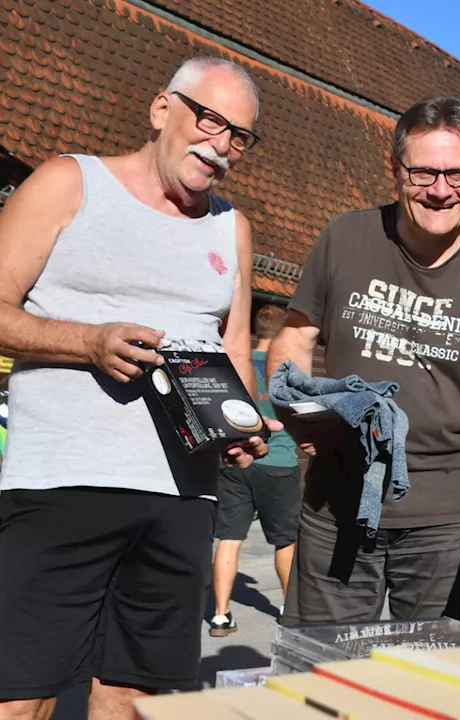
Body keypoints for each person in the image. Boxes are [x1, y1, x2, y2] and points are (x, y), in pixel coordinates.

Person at [0, 56, 278, 719]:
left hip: (182, 497)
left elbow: (234, 350)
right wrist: (88, 341)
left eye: (239, 136)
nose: (222, 146)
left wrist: (247, 423)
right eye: (210, 120)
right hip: (62, 483)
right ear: (162, 110)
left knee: (134, 698)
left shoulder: (231, 228)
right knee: (22, 695)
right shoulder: (70, 182)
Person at [269, 96, 460, 625]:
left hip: (446, 526)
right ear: (394, 169)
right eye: (423, 172)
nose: (441, 191)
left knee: (435, 691)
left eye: (458, 174)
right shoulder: (344, 238)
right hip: (337, 507)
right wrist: (293, 403)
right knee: (325, 685)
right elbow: (294, 339)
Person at [209, 304, 302, 637]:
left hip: (235, 462)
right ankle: (291, 614)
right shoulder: (288, 369)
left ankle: (220, 615)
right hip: (278, 464)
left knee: (230, 539)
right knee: (286, 541)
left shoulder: (239, 363)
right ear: (281, 332)